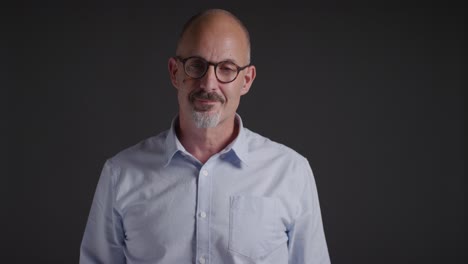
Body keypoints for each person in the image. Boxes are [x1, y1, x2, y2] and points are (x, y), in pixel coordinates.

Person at [80, 8, 331, 264]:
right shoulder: (120, 174)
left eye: (226, 68)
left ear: (246, 80)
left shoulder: (290, 172)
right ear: (175, 72)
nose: (209, 84)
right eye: (196, 65)